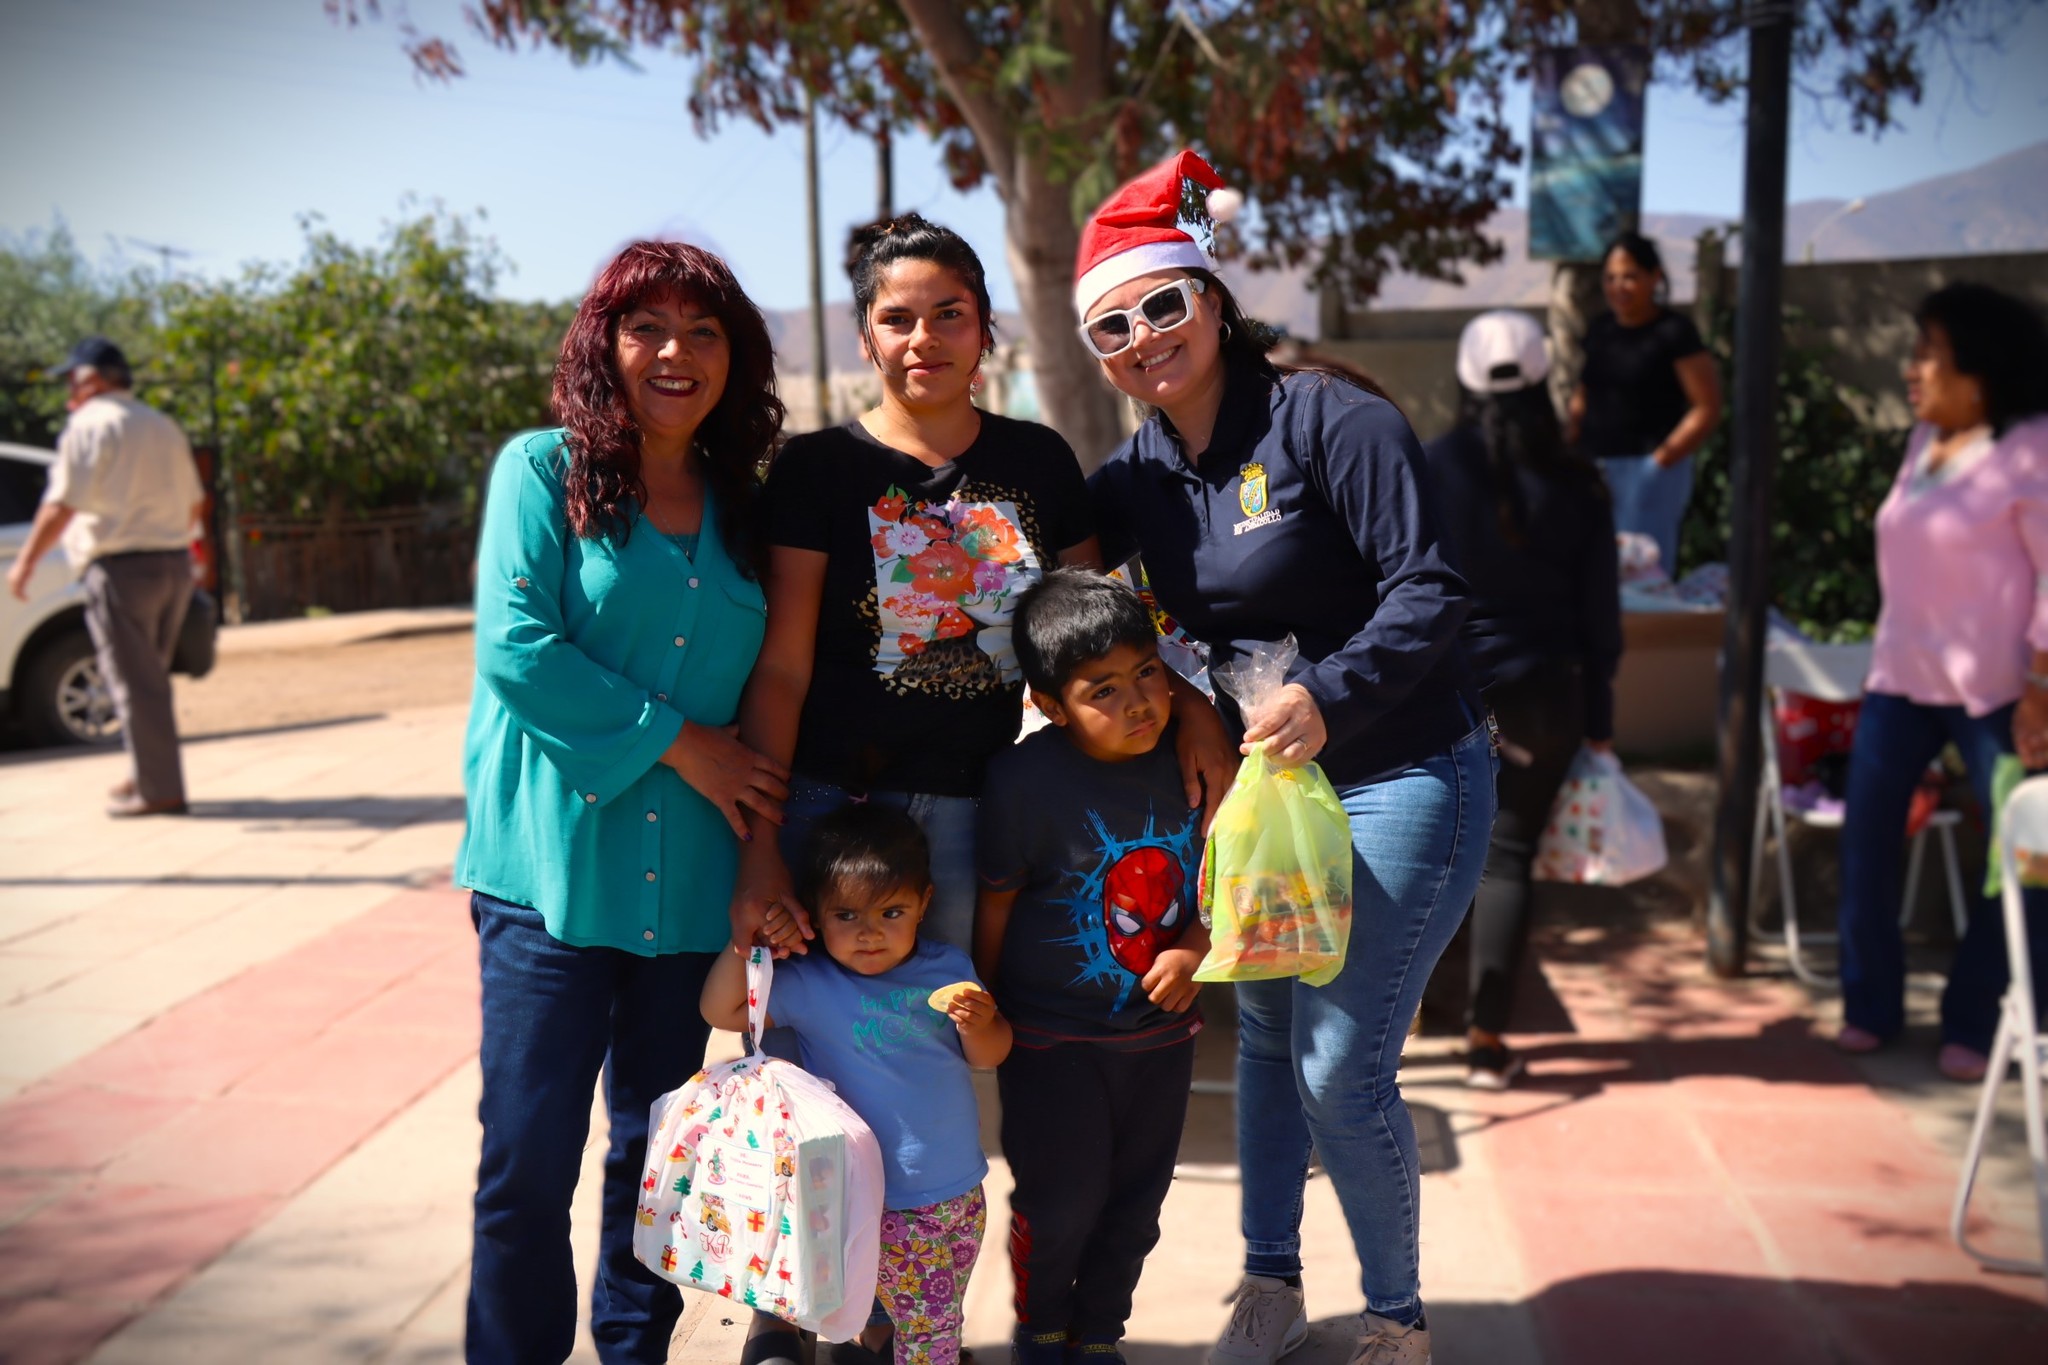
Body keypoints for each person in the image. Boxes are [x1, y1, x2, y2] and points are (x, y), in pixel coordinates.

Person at [1075, 151, 1495, 1365]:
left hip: (1408, 767)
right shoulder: (1134, 478)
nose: (1145, 336)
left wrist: (1326, 690)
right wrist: (1189, 696)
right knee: (1259, 1036)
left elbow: (1431, 591)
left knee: (1334, 1058)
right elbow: (1047, 576)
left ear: (1209, 298)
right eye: (1114, 326)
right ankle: (1266, 1286)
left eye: (1163, 304)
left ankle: (1396, 1319)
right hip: (1269, 795)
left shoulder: (1330, 418)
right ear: (1100, 355)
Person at [458, 240, 793, 1365]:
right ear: (604, 343)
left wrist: (760, 850)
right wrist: (679, 745)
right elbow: (514, 649)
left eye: (703, 332)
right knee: (525, 1163)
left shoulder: (750, 510)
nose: (674, 352)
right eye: (646, 325)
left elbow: (773, 685)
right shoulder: (540, 472)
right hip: (547, 883)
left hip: (690, 889)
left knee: (655, 1166)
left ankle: (634, 1353)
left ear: (733, 360)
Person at [732, 212, 1234, 959]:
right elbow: (780, 670)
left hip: (972, 806)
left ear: (986, 330)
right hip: (824, 805)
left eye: (949, 315)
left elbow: (1096, 634)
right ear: (867, 339)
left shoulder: (1039, 461)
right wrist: (761, 844)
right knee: (814, 1049)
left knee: (947, 1034)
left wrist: (1191, 708)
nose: (922, 338)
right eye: (895, 319)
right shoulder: (817, 468)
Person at [974, 569, 1211, 1365]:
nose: (1137, 702)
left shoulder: (1193, 758)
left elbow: (1234, 887)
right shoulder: (1021, 780)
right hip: (1049, 1041)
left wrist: (1199, 950)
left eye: (1147, 673)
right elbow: (998, 904)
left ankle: (1100, 1332)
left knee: (1137, 1203)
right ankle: (1043, 1329)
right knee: (1061, 1199)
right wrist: (990, 1012)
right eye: (1102, 689)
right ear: (1048, 704)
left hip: (1161, 1040)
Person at [703, 803, 1013, 1365]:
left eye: (892, 911)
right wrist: (745, 943)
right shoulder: (810, 983)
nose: (870, 933)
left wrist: (985, 1024)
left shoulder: (948, 968)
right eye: (847, 916)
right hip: (880, 1200)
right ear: (816, 917)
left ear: (926, 904)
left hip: (960, 1190)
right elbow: (721, 1009)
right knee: (931, 1340)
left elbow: (989, 1056)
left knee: (919, 1314)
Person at [1833, 281, 2048, 1082]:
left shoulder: (2031, 445)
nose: (1912, 369)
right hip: (1900, 679)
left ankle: (1980, 1016)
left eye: (1930, 353)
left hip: (1999, 695)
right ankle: (1871, 1005)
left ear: (1983, 371)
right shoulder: (1924, 440)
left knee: (2015, 860)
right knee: (1866, 848)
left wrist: (2040, 687)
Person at [1425, 310, 1623, 1089]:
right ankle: (1483, 1036)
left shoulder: (1429, 466)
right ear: (1544, 381)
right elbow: (1601, 615)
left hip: (1443, 693)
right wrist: (1602, 725)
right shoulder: (1580, 479)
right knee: (1506, 859)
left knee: (1436, 859)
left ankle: (1422, 1009)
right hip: (1546, 699)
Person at [6, 336, 204, 816]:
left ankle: (159, 791)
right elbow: (196, 501)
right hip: (173, 563)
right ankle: (146, 773)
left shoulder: (89, 426)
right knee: (148, 676)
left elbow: (62, 503)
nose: (69, 393)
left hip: (122, 568)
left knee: (134, 681)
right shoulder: (161, 425)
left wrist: (27, 560)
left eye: (72, 381)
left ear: (90, 379)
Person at [1566, 231, 1722, 578]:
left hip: (1650, 472)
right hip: (1595, 469)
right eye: (1611, 277)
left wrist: (1661, 461)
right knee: (1592, 573)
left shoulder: (1674, 332)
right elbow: (1584, 392)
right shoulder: (1600, 329)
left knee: (1644, 578)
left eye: (1630, 276)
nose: (1619, 286)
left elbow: (1706, 407)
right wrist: (1571, 442)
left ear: (1655, 277)